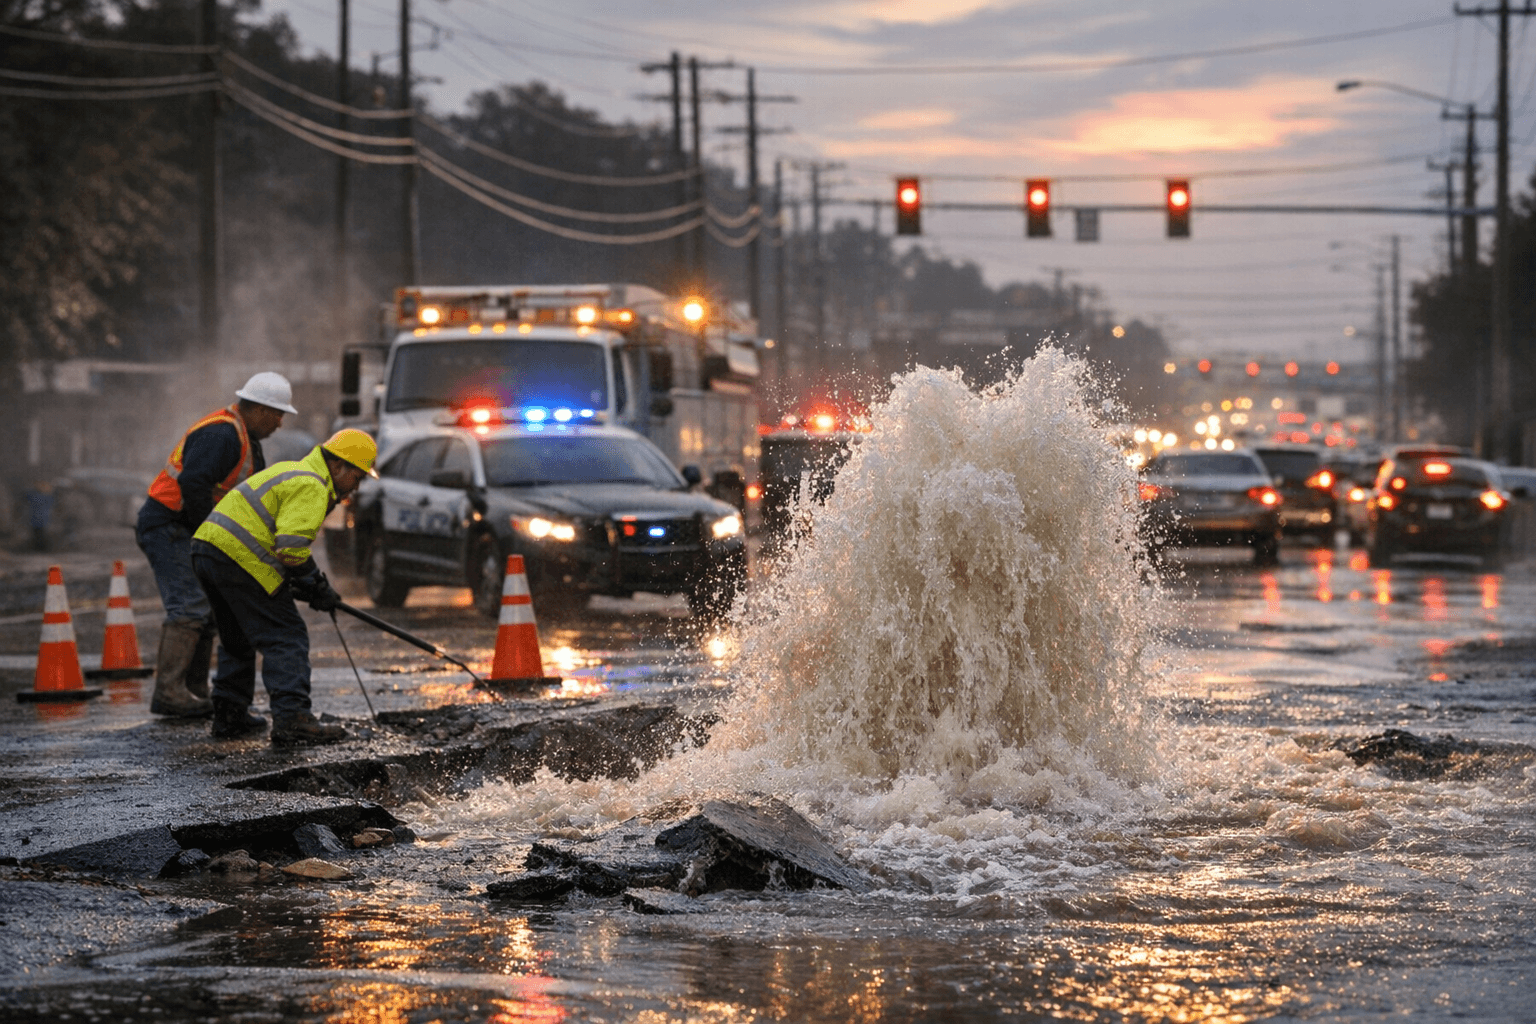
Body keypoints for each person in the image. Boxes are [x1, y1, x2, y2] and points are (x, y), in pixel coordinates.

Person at [190, 428, 376, 746]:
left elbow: (278, 544)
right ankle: (293, 719)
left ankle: (230, 715)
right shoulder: (313, 485)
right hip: (239, 557)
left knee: (237, 638)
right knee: (287, 637)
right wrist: (315, 584)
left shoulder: (293, 470)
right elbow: (290, 549)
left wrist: (307, 584)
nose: (355, 488)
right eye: (356, 477)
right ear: (337, 467)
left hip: (208, 549)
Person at [136, 372, 296, 718]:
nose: (280, 423)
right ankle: (169, 693)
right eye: (278, 414)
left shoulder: (244, 438)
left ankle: (193, 692)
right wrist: (210, 539)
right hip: (171, 526)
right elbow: (194, 485)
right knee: (189, 608)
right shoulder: (221, 433)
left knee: (205, 613)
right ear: (259, 409)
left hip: (185, 528)